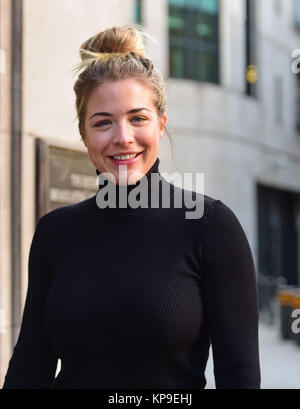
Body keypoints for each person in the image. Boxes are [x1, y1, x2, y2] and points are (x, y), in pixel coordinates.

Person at [3, 25, 261, 389]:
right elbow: (30, 367)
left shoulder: (211, 227)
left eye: (138, 118)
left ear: (160, 125)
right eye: (103, 122)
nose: (122, 137)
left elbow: (240, 375)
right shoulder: (54, 233)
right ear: (83, 134)